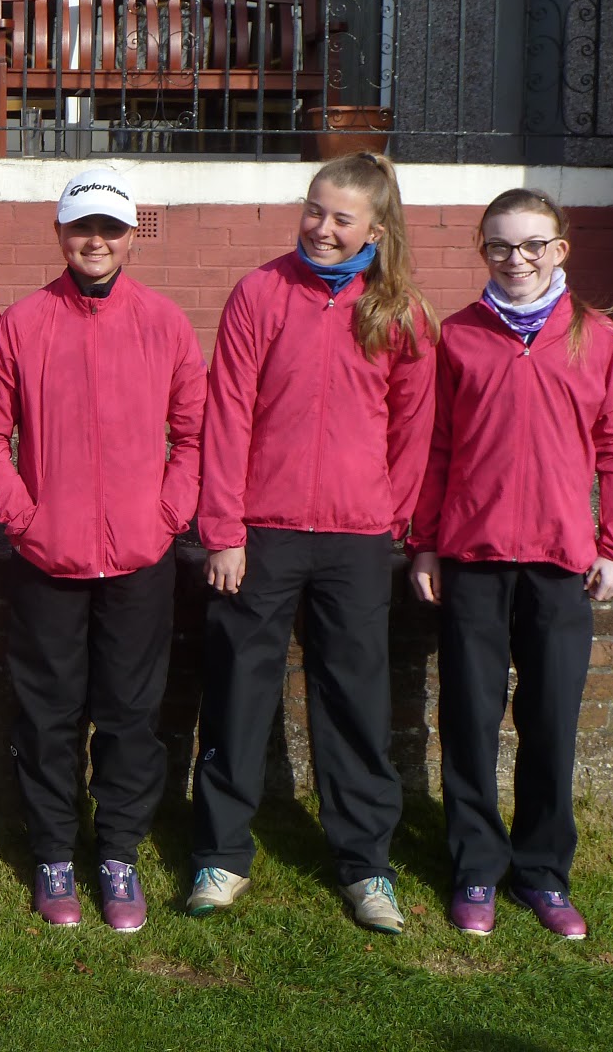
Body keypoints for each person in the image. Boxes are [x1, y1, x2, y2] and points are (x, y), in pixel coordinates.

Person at [189, 151, 437, 934]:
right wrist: (223, 529)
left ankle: (366, 867)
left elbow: (413, 428)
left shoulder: (400, 311)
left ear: (376, 226)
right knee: (237, 693)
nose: (323, 229)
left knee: (356, 702)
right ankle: (222, 856)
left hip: (355, 541)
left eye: (341, 218)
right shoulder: (260, 292)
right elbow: (225, 414)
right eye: (314, 210)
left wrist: (386, 516)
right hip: (259, 534)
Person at [0, 168, 206, 931]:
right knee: (47, 716)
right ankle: (52, 854)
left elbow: (196, 435)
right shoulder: (24, 322)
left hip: (139, 560)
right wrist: (22, 516)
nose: (95, 241)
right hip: (49, 560)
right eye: (82, 228)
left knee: (132, 715)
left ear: (132, 236)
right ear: (61, 233)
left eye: (109, 229)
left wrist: (167, 514)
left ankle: (118, 854)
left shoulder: (165, 323)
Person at [408, 188, 613, 940]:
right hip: (473, 558)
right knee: (470, 720)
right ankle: (477, 864)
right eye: (502, 246)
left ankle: (544, 871)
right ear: (483, 250)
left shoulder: (595, 337)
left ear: (560, 251)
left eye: (534, 245)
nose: (518, 260)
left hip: (560, 562)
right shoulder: (459, 336)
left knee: (550, 722)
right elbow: (435, 449)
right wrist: (425, 542)